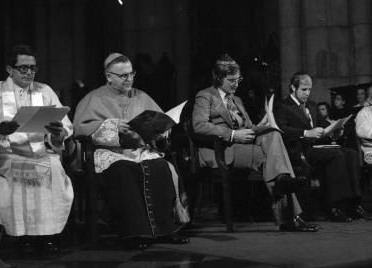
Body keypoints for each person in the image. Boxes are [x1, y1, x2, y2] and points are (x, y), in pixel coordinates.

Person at [73, 53, 189, 249]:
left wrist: (160, 131)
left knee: (161, 167)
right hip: (109, 154)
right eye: (123, 76)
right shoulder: (93, 98)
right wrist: (112, 126)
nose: (129, 79)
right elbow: (81, 129)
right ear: (108, 76)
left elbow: (158, 121)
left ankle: (166, 229)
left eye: (131, 74)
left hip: (139, 150)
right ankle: (136, 232)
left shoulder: (141, 96)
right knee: (125, 169)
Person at [192, 54, 317, 232]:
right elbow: (199, 126)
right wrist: (234, 134)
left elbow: (249, 127)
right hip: (223, 149)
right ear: (219, 78)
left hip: (246, 145)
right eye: (231, 80)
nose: (236, 84)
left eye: (238, 79)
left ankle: (284, 185)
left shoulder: (237, 100)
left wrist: (263, 125)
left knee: (273, 134)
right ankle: (291, 216)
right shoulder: (205, 96)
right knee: (276, 164)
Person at [0, 44, 74, 253]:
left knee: (53, 168)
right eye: (23, 68)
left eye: (33, 68)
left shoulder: (45, 91)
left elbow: (65, 124)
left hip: (41, 150)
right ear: (10, 69)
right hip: (7, 152)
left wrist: (58, 131)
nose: (29, 72)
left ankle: (46, 236)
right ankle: (20, 237)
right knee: (16, 169)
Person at [274, 72, 371, 222]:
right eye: (304, 89)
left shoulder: (312, 106)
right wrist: (306, 133)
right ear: (293, 87)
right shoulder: (283, 106)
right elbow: (281, 129)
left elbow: (325, 126)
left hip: (319, 147)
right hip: (301, 149)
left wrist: (336, 129)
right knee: (337, 155)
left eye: (309, 89)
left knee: (351, 153)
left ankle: (354, 204)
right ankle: (334, 207)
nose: (307, 93)